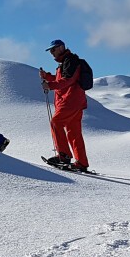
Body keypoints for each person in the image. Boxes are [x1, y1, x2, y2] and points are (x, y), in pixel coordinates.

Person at [40, 39, 90, 172]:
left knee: (55, 123)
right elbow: (62, 79)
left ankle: (64, 156)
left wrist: (49, 85)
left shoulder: (70, 61)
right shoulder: (66, 62)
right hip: (74, 102)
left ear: (61, 48)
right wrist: (48, 77)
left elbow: (67, 80)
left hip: (69, 102)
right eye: (50, 50)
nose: (51, 53)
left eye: (53, 49)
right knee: (74, 133)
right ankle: (81, 162)